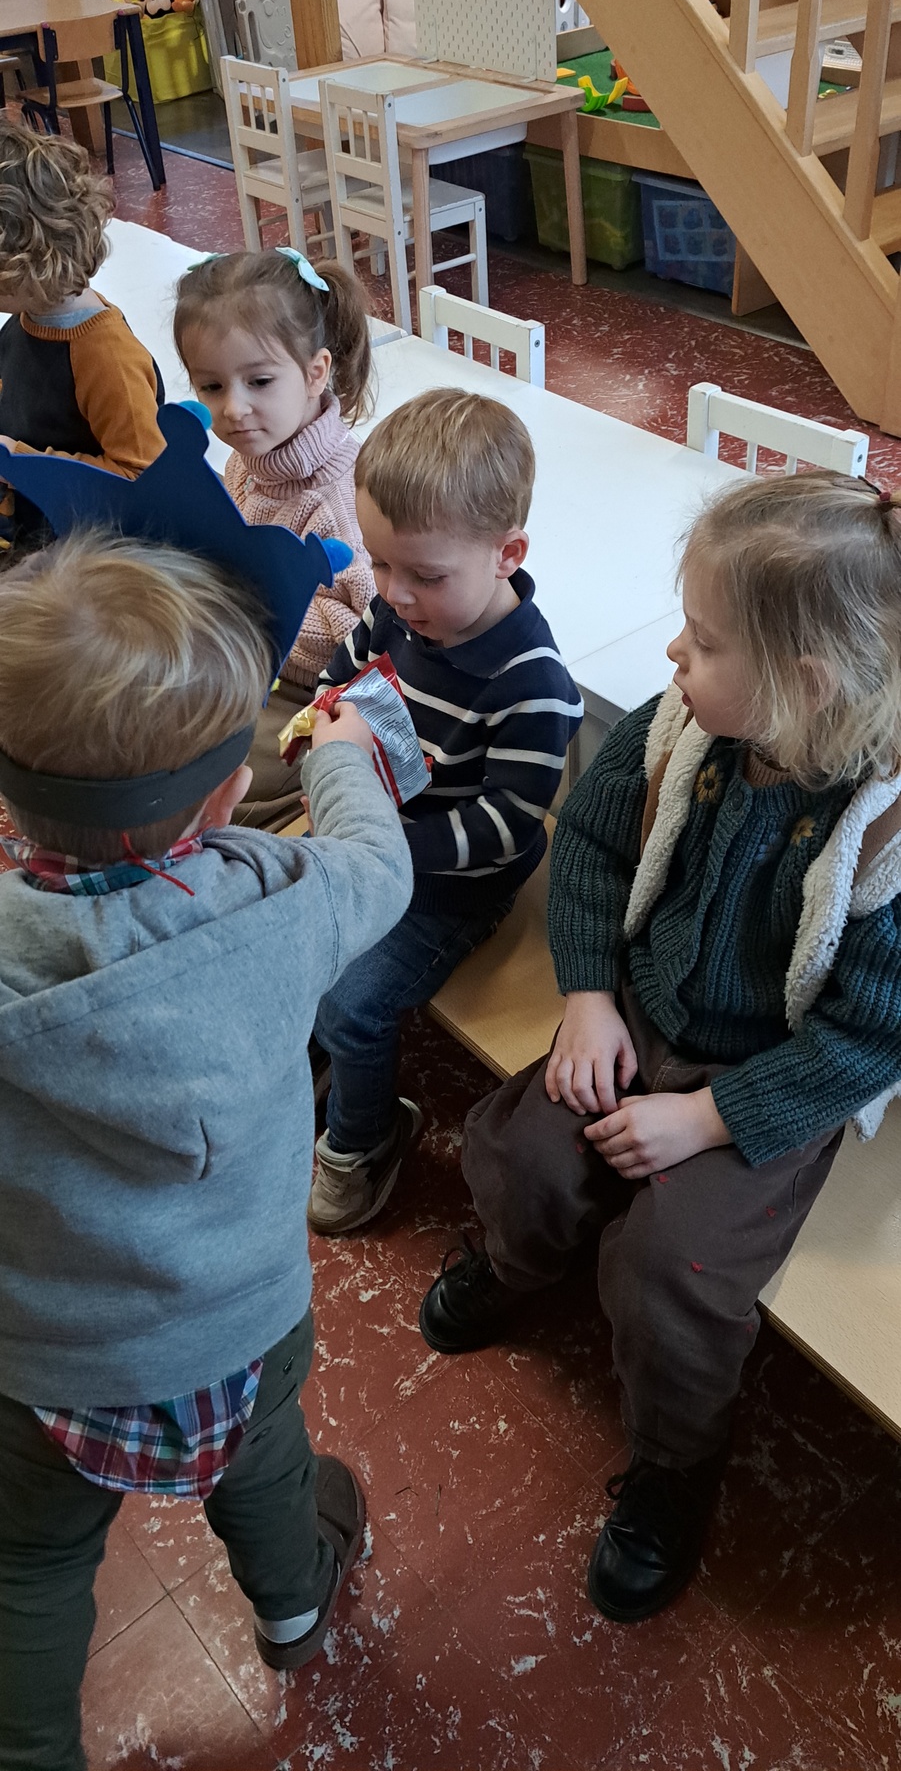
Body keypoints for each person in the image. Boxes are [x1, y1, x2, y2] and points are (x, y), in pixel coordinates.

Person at [419, 470, 901, 1624]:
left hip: (769, 1074)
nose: (674, 652)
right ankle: (518, 1261)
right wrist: (587, 996)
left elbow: (867, 1037)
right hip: (638, 1008)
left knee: (668, 1266)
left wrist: (707, 1117)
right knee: (527, 1155)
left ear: (804, 682)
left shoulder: (882, 835)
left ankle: (675, 1459)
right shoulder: (681, 723)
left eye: (704, 638)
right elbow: (588, 845)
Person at [0, 526, 413, 1771]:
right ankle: (293, 1608)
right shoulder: (279, 896)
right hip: (242, 1320)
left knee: (30, 1563)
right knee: (268, 1470)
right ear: (228, 794)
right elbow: (376, 863)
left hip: (42, 1353)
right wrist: (338, 754)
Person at [309, 386, 583, 1235]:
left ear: (507, 554)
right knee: (284, 938)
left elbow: (507, 825)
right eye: (380, 564)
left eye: (424, 575)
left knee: (352, 1003)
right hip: (370, 834)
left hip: (451, 886)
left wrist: (384, 844)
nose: (392, 594)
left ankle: (363, 1139)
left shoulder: (532, 683)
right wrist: (322, 717)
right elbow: (341, 671)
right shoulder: (397, 613)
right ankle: (313, 1058)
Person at [174, 247, 375, 829]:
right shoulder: (247, 461)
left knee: (190, 773)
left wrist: (253, 601)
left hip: (310, 696)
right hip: (244, 660)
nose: (233, 409)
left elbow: (369, 635)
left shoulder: (343, 497)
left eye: (259, 381)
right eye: (211, 386)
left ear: (316, 372)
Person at [0, 121, 164, 548]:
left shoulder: (106, 357)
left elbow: (141, 477)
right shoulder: (25, 317)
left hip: (85, 548)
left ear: (25, 262)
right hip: (29, 521)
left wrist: (22, 462)